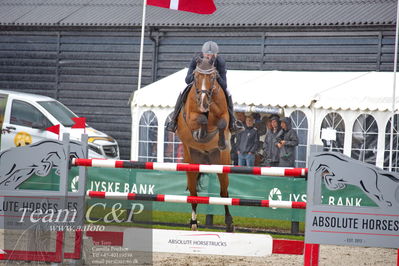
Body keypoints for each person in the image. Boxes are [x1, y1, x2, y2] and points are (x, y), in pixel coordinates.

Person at [165, 41, 244, 134]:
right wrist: (196, 75)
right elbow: (187, 80)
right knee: (182, 90)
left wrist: (217, 76)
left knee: (228, 92)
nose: (209, 57)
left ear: (216, 54)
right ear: (203, 53)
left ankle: (232, 123)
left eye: (212, 55)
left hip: (213, 86)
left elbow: (224, 84)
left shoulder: (220, 62)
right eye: (207, 54)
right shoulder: (196, 59)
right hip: (198, 84)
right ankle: (174, 121)